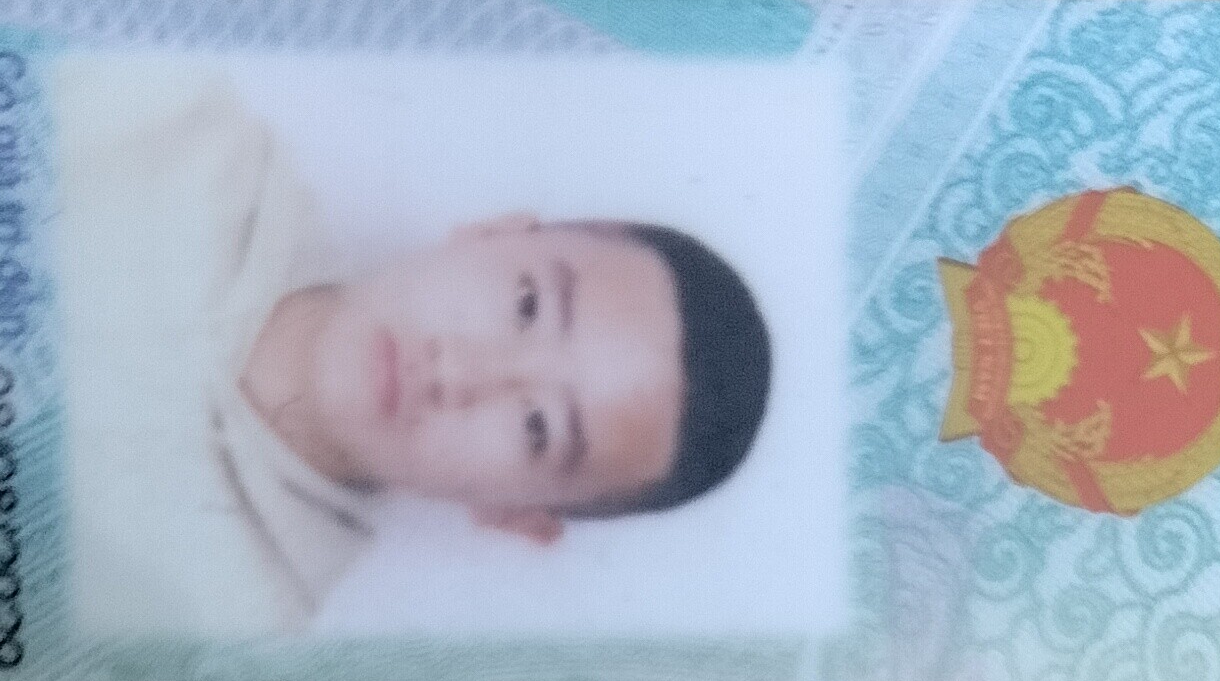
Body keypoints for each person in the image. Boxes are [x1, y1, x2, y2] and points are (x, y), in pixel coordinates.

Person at [53, 63, 773, 634]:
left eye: (536, 427)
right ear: (494, 232)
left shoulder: (216, 636)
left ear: (513, 515)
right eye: (526, 305)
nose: (465, 372)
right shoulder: (174, 121)